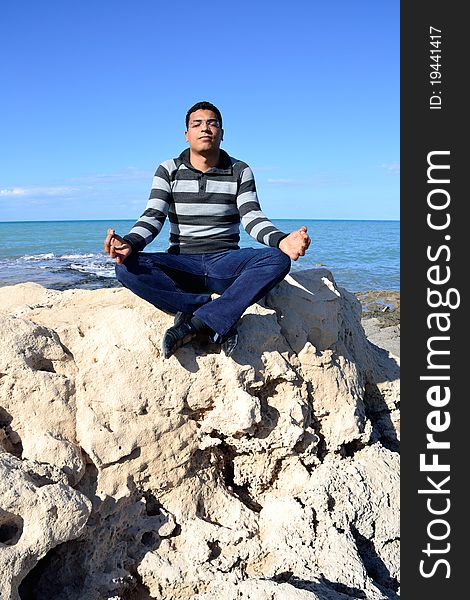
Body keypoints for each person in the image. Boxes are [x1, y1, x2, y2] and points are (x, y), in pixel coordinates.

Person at [104, 101, 310, 359]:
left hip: (225, 262)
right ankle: (211, 311)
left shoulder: (239, 170)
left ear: (222, 133)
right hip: (182, 262)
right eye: (197, 124)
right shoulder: (169, 169)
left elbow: (252, 216)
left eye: (213, 123)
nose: (206, 129)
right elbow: (153, 216)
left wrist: (281, 241)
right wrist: (131, 243)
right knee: (125, 267)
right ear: (187, 134)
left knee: (277, 260)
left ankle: (197, 322)